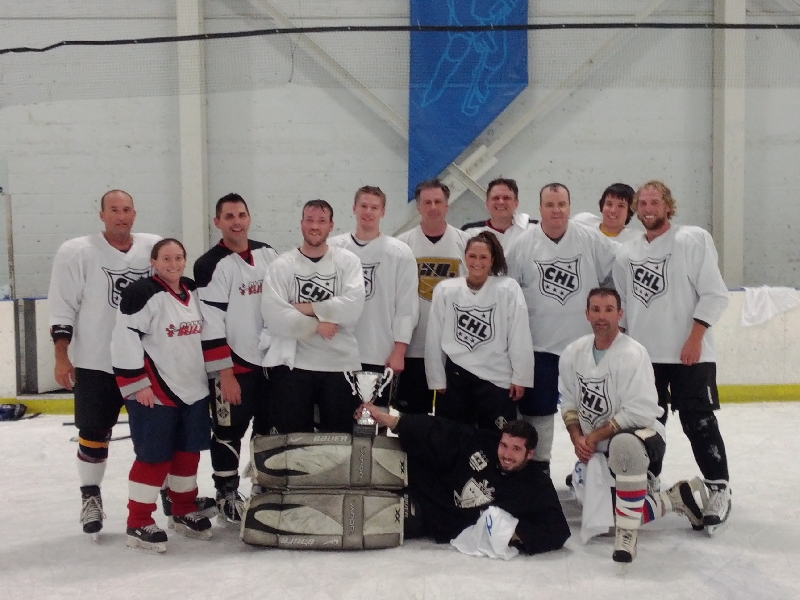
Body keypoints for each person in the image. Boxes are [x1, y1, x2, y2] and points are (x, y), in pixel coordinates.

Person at [613, 181, 731, 534]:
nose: (649, 208)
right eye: (643, 203)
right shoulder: (626, 252)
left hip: (689, 354)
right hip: (645, 358)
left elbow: (715, 294)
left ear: (668, 206)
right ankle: (649, 479)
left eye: (655, 202)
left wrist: (695, 338)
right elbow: (623, 305)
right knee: (649, 424)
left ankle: (718, 488)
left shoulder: (692, 240)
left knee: (699, 422)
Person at [559, 286, 707, 564]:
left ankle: (626, 539)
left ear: (620, 314)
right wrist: (577, 438)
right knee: (605, 517)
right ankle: (676, 498)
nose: (602, 316)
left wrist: (593, 438)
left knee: (624, 444)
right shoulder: (572, 353)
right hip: (596, 448)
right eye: (596, 310)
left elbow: (638, 413)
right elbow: (567, 402)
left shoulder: (634, 354)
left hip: (642, 438)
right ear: (587, 314)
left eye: (609, 310)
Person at [47, 190, 162, 538]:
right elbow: (62, 306)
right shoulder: (76, 252)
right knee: (94, 432)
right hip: (96, 362)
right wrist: (62, 356)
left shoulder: (153, 247)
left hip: (146, 362)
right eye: (114, 210)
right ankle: (90, 496)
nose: (121, 216)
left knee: (159, 433)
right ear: (101, 215)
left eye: (126, 209)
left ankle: (170, 495)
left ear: (135, 213)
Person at [111, 239, 214, 553]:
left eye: (179, 257)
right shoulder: (142, 293)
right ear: (153, 262)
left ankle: (182, 510)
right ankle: (138, 521)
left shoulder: (193, 290)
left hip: (193, 387)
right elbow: (124, 336)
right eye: (166, 258)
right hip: (155, 392)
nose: (173, 264)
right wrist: (136, 383)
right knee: (154, 457)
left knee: (188, 453)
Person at [505, 182, 617, 470]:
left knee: (595, 410)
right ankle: (538, 468)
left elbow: (618, 273)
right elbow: (508, 295)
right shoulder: (521, 246)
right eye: (550, 204)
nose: (556, 210)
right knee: (537, 413)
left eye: (562, 204)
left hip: (586, 349)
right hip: (539, 348)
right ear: (540, 208)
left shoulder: (591, 239)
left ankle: (595, 470)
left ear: (569, 206)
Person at [358, 404, 570, 555]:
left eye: (516, 449)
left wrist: (513, 533)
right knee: (364, 472)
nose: (506, 454)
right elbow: (440, 432)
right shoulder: (483, 443)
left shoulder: (536, 484)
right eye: (504, 445)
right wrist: (392, 421)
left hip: (432, 519)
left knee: (369, 514)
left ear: (530, 454)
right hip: (429, 491)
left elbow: (558, 530)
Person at [193, 193, 279, 522]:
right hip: (234, 367)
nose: (236, 221)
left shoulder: (267, 253)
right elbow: (210, 322)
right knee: (228, 430)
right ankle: (226, 492)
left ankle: (263, 482)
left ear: (249, 217)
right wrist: (224, 374)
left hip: (269, 364)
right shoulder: (209, 264)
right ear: (217, 222)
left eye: (241, 214)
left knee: (268, 427)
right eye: (229, 216)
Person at [260, 199, 365, 433]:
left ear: (331, 225)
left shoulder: (348, 262)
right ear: (301, 223)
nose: (315, 226)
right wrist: (316, 326)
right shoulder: (281, 265)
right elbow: (273, 315)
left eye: (321, 221)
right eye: (309, 220)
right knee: (294, 439)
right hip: (294, 367)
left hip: (339, 364)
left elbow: (353, 306)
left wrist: (307, 308)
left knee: (339, 439)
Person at [425, 231, 533, 430]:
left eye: (483, 257)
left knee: (496, 438)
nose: (477, 262)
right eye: (472, 256)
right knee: (452, 436)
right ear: (464, 257)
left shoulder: (508, 289)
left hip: (497, 377)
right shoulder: (446, 289)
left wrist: (521, 377)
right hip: (456, 376)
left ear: (492, 259)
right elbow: (434, 336)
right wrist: (436, 378)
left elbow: (519, 335)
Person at [328, 186, 419, 397]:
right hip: (337, 354)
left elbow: (407, 307)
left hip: (380, 353)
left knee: (373, 416)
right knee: (337, 416)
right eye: (363, 206)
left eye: (374, 207)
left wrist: (399, 352)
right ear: (354, 208)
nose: (368, 212)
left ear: (383, 212)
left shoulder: (400, 253)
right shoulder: (333, 248)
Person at [395, 179, 470, 415]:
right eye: (427, 202)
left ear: (447, 205)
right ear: (418, 207)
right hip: (413, 348)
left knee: (453, 420)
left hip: (454, 349)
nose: (433, 207)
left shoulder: (465, 243)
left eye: (438, 201)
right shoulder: (401, 245)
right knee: (412, 420)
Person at [462, 177, 537, 249]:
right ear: (487, 204)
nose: (501, 202)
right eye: (496, 198)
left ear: (516, 203)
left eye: (506, 198)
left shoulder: (534, 229)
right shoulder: (469, 232)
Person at [573, 183, 640, 244]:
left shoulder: (635, 241)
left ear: (630, 211)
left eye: (621, 206)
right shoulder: (582, 222)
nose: (613, 210)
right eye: (609, 204)